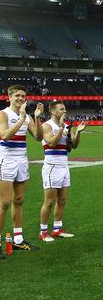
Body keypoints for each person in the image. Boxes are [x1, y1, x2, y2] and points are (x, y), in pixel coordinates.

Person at [0, 85, 44, 255]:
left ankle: (17, 240)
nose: (20, 98)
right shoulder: (3, 114)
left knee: (19, 200)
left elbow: (38, 137)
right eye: (17, 95)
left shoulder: (27, 117)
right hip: (6, 161)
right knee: (4, 203)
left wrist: (37, 118)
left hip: (22, 161)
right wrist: (21, 118)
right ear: (9, 97)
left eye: (23, 96)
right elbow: (4, 135)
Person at [38, 101, 86, 242]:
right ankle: (43, 231)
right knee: (49, 201)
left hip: (64, 165)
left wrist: (78, 132)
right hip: (52, 166)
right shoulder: (46, 126)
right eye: (61, 109)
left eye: (65, 109)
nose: (64, 111)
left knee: (62, 200)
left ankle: (57, 229)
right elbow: (51, 143)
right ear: (53, 111)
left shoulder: (67, 126)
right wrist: (60, 129)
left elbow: (73, 146)